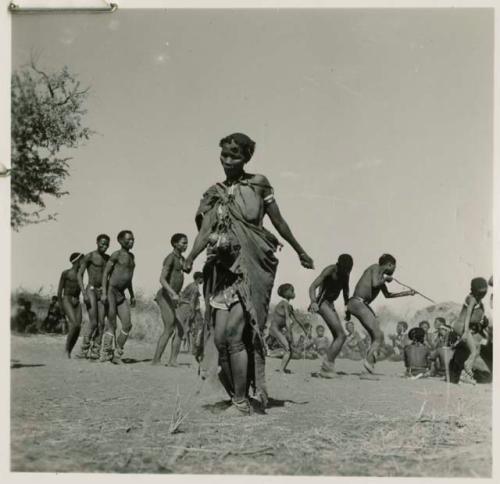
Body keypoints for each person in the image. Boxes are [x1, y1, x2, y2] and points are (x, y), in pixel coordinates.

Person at [183, 132, 314, 415]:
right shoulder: (214, 193)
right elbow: (206, 231)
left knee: (236, 335)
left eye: (235, 155)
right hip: (221, 270)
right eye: (224, 154)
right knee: (219, 338)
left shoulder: (259, 185)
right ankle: (234, 395)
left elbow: (278, 221)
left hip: (250, 268)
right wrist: (191, 257)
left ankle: (242, 401)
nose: (228, 160)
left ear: (247, 158)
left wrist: (300, 250)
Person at [346, 254, 416, 378]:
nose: (394, 270)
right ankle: (367, 371)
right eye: (394, 267)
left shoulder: (379, 277)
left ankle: (368, 366)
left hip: (359, 304)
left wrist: (407, 293)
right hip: (358, 302)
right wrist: (386, 279)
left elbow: (388, 295)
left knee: (376, 336)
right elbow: (374, 284)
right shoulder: (375, 268)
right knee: (379, 336)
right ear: (390, 264)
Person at [308, 254, 353, 378]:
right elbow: (312, 287)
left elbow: (346, 293)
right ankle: (326, 368)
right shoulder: (330, 270)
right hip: (321, 303)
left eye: (349, 269)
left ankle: (327, 367)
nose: (346, 272)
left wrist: (347, 310)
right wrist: (313, 302)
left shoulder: (346, 274)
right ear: (339, 265)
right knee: (341, 336)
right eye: (345, 269)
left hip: (330, 304)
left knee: (338, 337)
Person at [151, 233, 189, 366]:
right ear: (175, 244)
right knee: (169, 327)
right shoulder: (170, 258)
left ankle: (173, 360)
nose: (186, 245)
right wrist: (173, 293)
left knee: (180, 330)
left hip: (174, 297)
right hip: (165, 296)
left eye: (187, 243)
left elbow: (187, 269)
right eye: (183, 243)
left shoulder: (181, 259)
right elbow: (161, 279)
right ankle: (156, 360)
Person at [100, 231, 136, 364]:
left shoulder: (132, 256)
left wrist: (132, 294)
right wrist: (104, 292)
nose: (131, 242)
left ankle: (117, 353)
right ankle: (106, 353)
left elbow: (129, 277)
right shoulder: (116, 255)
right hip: (111, 291)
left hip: (121, 294)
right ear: (120, 241)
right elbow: (105, 274)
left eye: (133, 239)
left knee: (127, 325)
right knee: (112, 324)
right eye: (128, 240)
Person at [75, 234, 110, 359]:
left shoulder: (108, 258)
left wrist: (106, 292)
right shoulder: (89, 256)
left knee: (101, 323)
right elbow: (79, 274)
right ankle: (83, 351)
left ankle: (95, 350)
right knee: (93, 322)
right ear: (97, 242)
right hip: (90, 289)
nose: (104, 246)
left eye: (107, 244)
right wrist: (83, 293)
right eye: (102, 243)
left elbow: (110, 277)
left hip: (102, 291)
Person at [449, 277, 490, 384]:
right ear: (475, 290)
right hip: (462, 327)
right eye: (481, 293)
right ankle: (464, 373)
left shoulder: (478, 300)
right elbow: (467, 316)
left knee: (476, 349)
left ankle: (466, 371)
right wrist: (466, 331)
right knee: (473, 351)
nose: (483, 295)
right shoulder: (471, 299)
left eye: (484, 293)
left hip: (468, 328)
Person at [268, 284, 306, 374]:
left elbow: (296, 319)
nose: (293, 293)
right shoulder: (284, 304)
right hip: (274, 329)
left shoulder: (289, 306)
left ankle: (283, 368)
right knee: (287, 349)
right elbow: (287, 320)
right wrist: (289, 333)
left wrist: (305, 329)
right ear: (285, 293)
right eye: (291, 291)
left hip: (278, 330)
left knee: (290, 350)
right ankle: (281, 370)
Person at [58, 253, 84, 357]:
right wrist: (60, 307)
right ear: (76, 261)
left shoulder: (81, 274)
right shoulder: (66, 273)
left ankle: (69, 351)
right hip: (67, 299)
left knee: (78, 327)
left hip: (76, 301)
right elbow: (59, 291)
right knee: (74, 324)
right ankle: (65, 350)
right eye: (82, 260)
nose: (83, 262)